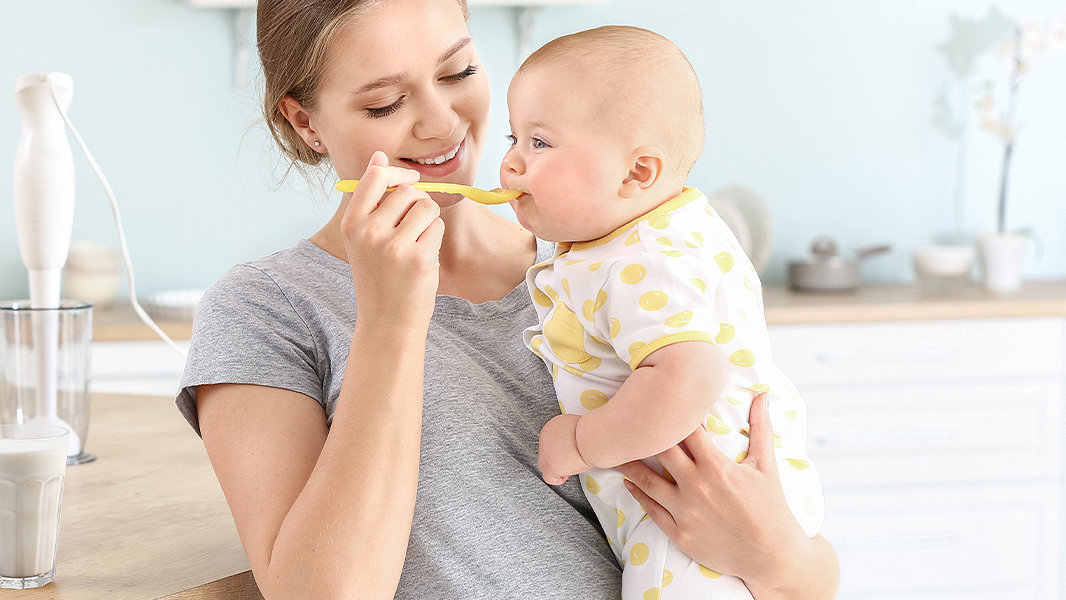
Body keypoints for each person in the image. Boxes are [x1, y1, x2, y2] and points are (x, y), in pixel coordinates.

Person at [175, 1, 840, 598]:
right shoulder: (267, 308)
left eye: (458, 71)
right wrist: (390, 317)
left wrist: (776, 555)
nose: (441, 123)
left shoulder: (613, 265)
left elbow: (808, 574)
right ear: (305, 121)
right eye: (384, 104)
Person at [501, 26, 825, 599]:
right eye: (514, 139)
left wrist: (580, 441)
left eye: (540, 143)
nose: (511, 164)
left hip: (697, 506)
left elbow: (690, 377)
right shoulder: (655, 228)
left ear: (637, 174)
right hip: (726, 501)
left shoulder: (645, 260)